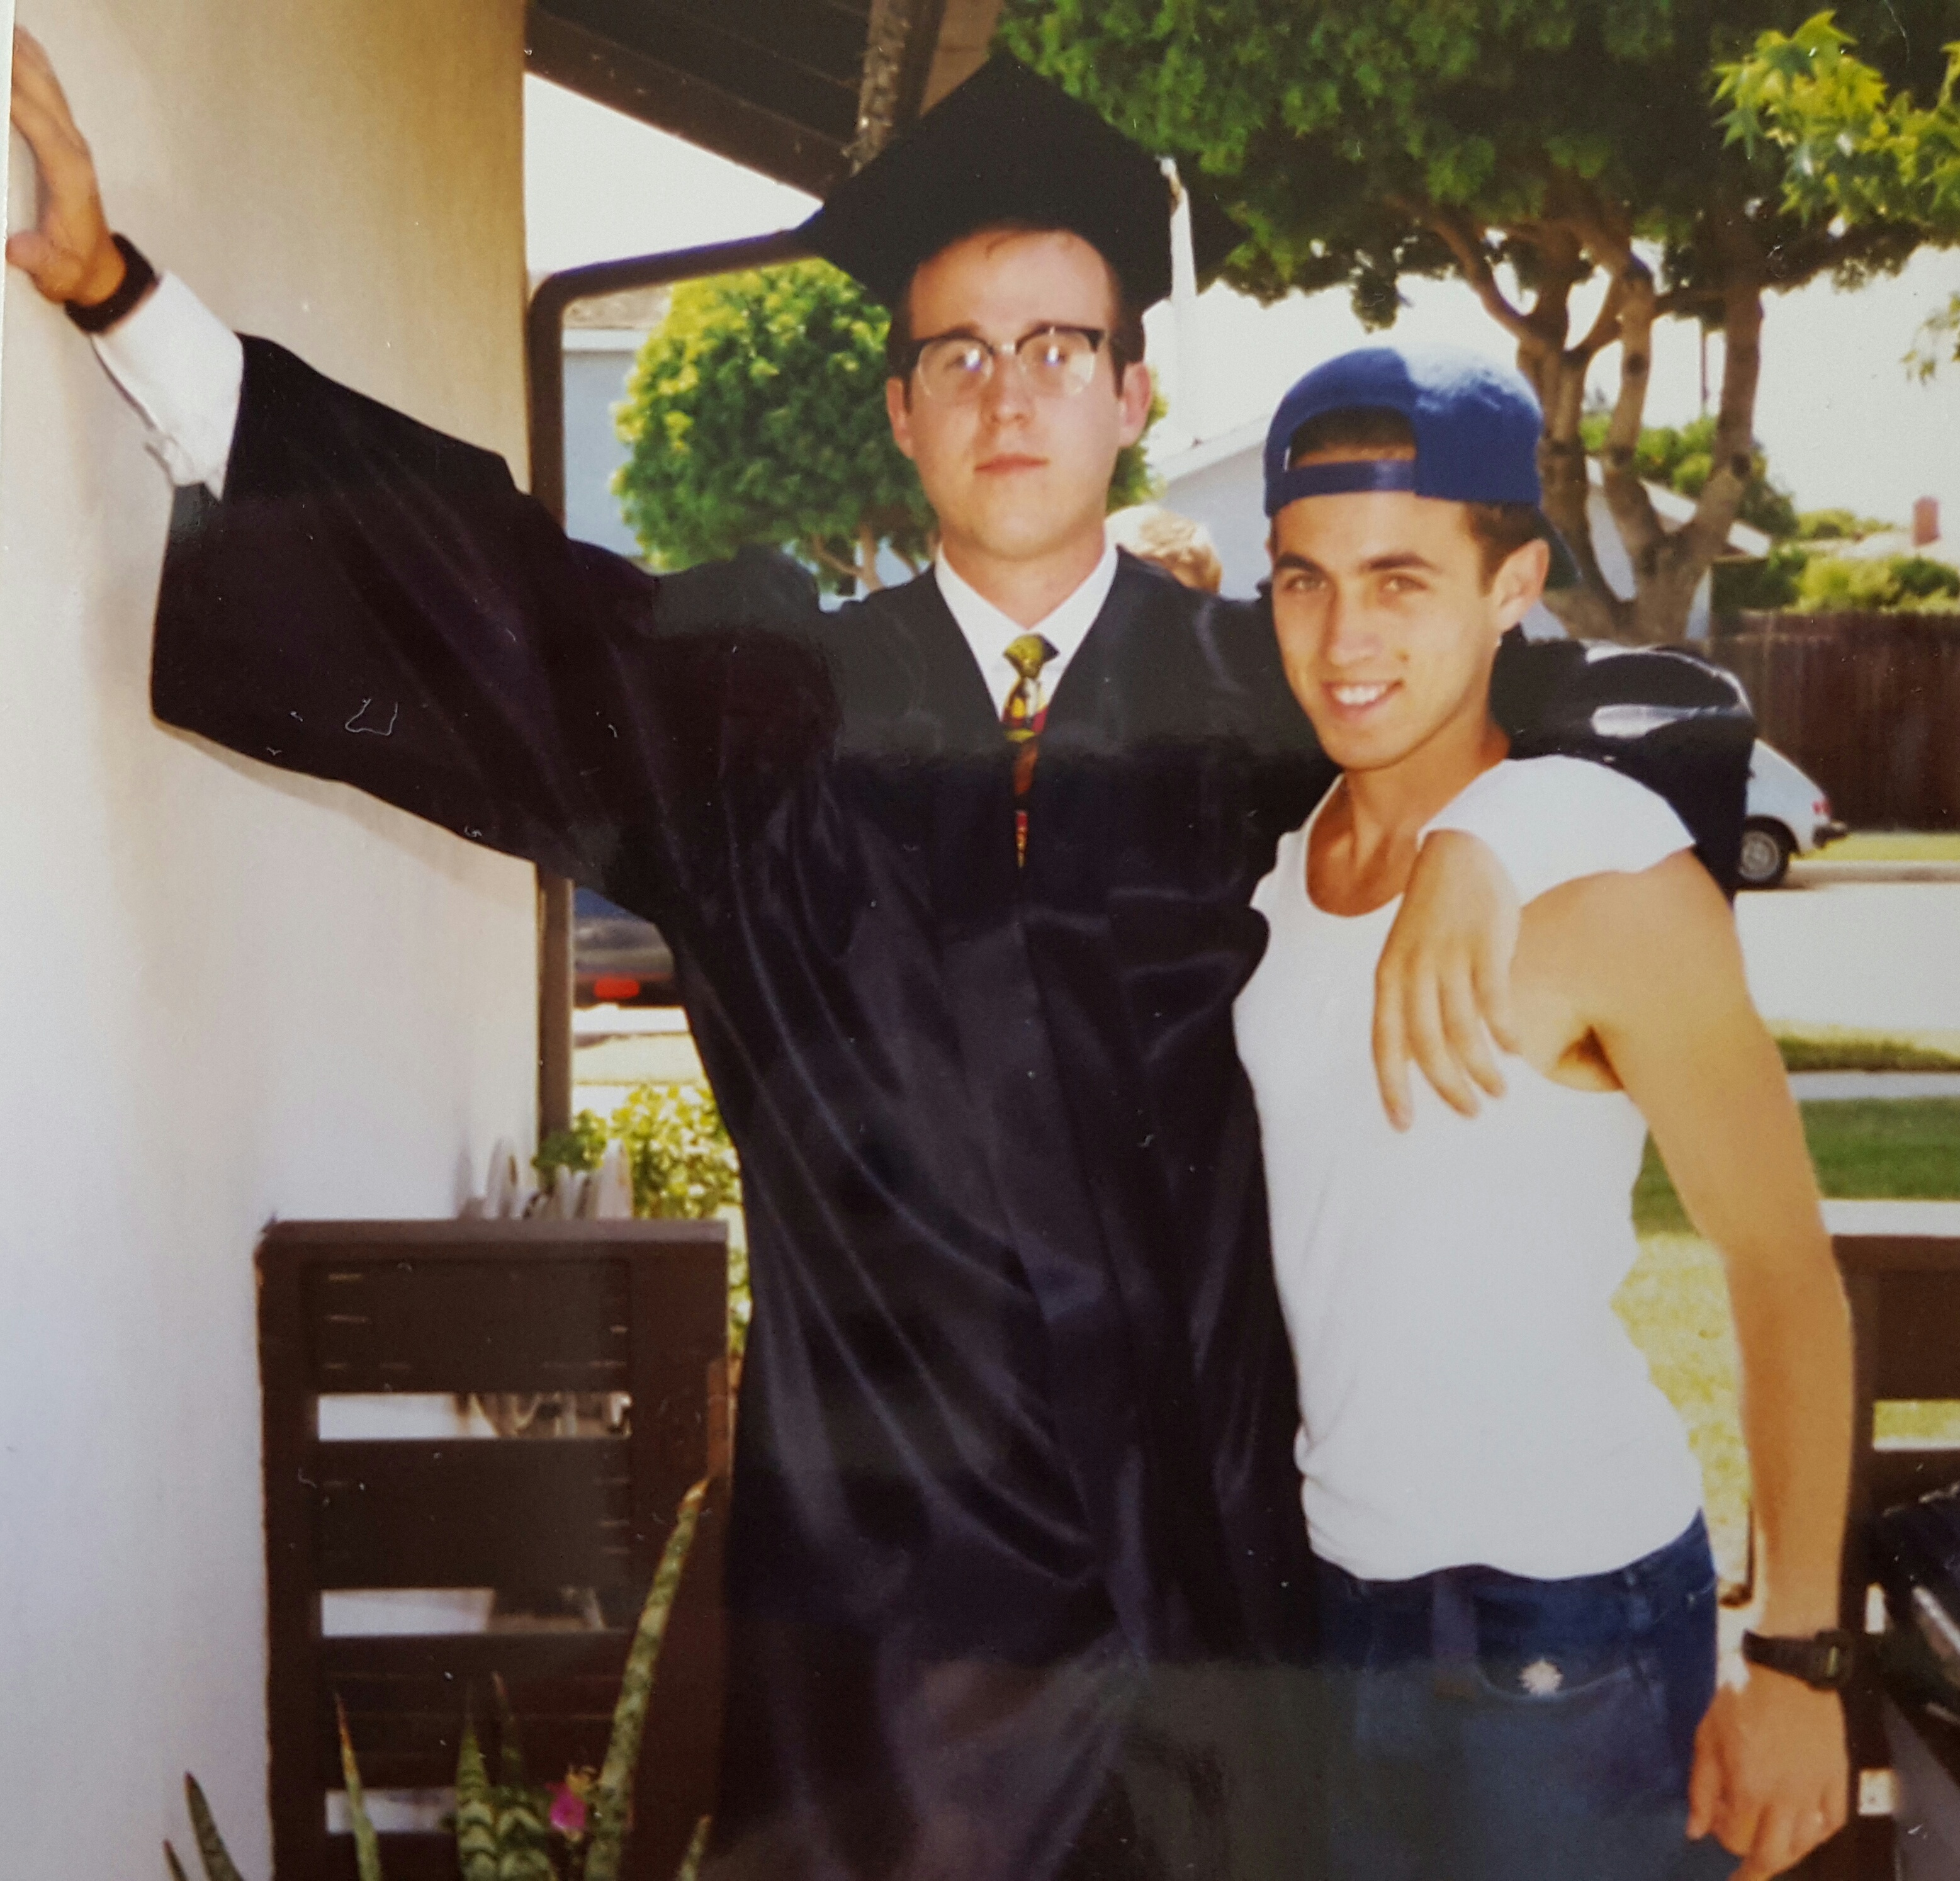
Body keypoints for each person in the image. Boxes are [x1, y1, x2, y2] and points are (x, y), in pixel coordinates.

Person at [9, 37, 1755, 1880]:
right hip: (890, 1648)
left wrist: (1499, 827)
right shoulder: (757, 715)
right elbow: (482, 595)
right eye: (961, 356)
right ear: (904, 412)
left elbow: (1655, 717)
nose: (1011, 394)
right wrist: (123, 298)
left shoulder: (1289, 700)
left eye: (1059, 348)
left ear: (1131, 393)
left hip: (1218, 1613)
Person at [1233, 344, 1852, 1881]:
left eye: (1401, 580)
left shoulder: (1613, 892)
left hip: (1567, 1624)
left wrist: (1797, 1657)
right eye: (1306, 581)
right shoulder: (1282, 866)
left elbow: (1783, 1269)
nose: (1344, 637)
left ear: (1513, 584)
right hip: (1343, 1605)